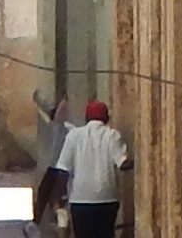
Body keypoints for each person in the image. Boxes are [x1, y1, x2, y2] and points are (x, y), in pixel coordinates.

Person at [50, 101, 133, 238]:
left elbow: (63, 169)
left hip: (80, 200)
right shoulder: (112, 136)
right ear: (107, 118)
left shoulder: (74, 136)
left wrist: (58, 198)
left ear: (86, 118)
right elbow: (123, 164)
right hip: (107, 199)